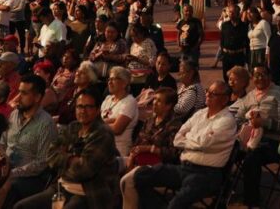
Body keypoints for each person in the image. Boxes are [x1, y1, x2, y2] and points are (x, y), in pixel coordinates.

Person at [133, 80, 238, 209]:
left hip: (206, 174)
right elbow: (177, 139)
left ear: (225, 99)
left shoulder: (227, 121)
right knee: (141, 175)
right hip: (183, 167)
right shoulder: (200, 114)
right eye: (208, 92)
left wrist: (188, 137)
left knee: (177, 204)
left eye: (213, 94)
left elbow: (203, 143)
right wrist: (195, 139)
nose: (208, 95)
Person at [16, 88, 119, 209]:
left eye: (88, 107)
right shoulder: (73, 127)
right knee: (21, 206)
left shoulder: (103, 133)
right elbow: (50, 155)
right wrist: (72, 159)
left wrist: (63, 159)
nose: (83, 111)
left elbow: (84, 170)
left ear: (97, 110)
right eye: (79, 106)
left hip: (89, 193)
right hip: (62, 187)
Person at [230, 64, 280, 208]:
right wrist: (245, 122)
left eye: (263, 74)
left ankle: (252, 201)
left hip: (273, 142)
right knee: (228, 150)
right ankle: (225, 192)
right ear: (252, 78)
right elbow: (238, 117)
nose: (260, 78)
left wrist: (265, 123)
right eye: (256, 75)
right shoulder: (250, 96)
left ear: (270, 76)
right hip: (249, 138)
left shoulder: (279, 93)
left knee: (251, 158)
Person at [119, 87, 183, 209]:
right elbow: (137, 142)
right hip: (138, 159)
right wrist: (132, 156)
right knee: (113, 164)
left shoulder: (175, 125)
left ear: (168, 106)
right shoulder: (149, 120)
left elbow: (173, 153)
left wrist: (149, 149)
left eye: (159, 101)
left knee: (127, 180)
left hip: (159, 166)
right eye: (154, 100)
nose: (154, 103)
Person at [4, 74, 59, 206]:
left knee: (8, 187)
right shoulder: (14, 115)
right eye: (19, 92)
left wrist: (12, 173)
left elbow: (42, 163)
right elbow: (2, 142)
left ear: (37, 98)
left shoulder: (46, 123)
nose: (18, 97)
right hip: (6, 169)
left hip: (33, 178)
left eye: (24, 93)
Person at [101, 65, 139, 161]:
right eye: (109, 79)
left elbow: (117, 129)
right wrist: (111, 120)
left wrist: (99, 122)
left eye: (114, 79)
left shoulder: (130, 101)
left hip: (118, 150)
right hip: (100, 145)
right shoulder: (108, 99)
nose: (109, 82)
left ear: (124, 83)